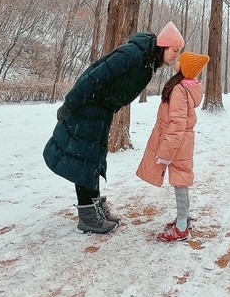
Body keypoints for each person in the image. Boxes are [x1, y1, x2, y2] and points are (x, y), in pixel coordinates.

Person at [43, 21, 185, 234]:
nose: (175, 55)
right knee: (85, 160)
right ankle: (88, 217)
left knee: (96, 159)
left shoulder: (147, 61)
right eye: (174, 50)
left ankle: (94, 207)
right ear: (164, 45)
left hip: (100, 112)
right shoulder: (132, 55)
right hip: (87, 108)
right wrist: (69, 104)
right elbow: (93, 77)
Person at [136, 50, 209, 242]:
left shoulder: (179, 89)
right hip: (183, 141)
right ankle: (182, 218)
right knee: (181, 179)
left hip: (177, 143)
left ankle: (182, 226)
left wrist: (166, 151)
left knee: (179, 181)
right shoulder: (186, 87)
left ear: (184, 68)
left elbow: (176, 122)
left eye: (180, 61)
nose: (176, 61)